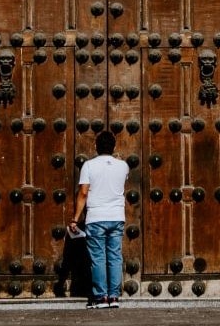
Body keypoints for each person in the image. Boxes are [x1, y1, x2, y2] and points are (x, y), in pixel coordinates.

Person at [70, 129, 129, 308]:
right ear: (114, 146)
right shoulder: (123, 165)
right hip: (117, 217)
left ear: (96, 146)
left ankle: (101, 297)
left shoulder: (88, 165)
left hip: (96, 217)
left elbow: (83, 193)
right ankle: (114, 296)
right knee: (114, 257)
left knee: (98, 258)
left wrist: (75, 218)